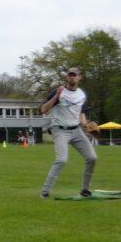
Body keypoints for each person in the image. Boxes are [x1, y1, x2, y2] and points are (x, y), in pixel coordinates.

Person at [39, 67, 97, 199]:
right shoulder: (59, 91)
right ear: (67, 77)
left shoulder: (81, 94)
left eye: (74, 75)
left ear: (79, 77)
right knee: (62, 160)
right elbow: (43, 110)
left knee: (92, 158)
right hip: (60, 130)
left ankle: (85, 189)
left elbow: (81, 112)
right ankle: (45, 191)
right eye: (70, 75)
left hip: (76, 130)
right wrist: (56, 96)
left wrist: (86, 124)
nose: (72, 77)